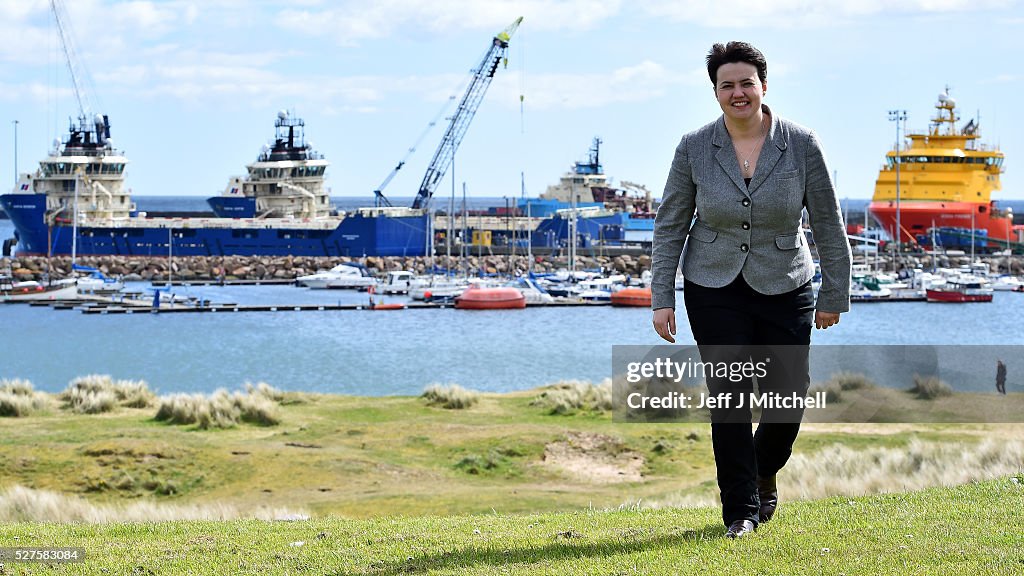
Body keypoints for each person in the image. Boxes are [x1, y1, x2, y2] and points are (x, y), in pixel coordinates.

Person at [650, 41, 851, 539]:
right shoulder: (693, 146)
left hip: (786, 282)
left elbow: (827, 221)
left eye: (746, 83)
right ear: (715, 92)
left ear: (764, 85)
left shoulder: (802, 143)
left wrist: (834, 294)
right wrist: (661, 295)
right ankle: (740, 510)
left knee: (788, 399)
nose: (737, 93)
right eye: (727, 85)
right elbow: (671, 222)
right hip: (712, 285)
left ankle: (763, 470)